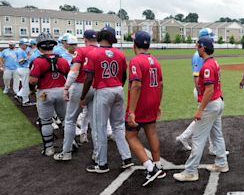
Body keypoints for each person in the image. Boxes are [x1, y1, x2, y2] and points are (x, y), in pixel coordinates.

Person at [173, 37, 229, 182]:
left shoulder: (207, 66)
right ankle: (222, 163)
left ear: (203, 47)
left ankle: (190, 171)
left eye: (198, 46)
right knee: (217, 135)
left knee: (198, 138)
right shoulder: (213, 62)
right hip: (217, 102)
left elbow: (209, 90)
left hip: (210, 104)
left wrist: (200, 110)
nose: (196, 48)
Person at [81, 26, 133, 174]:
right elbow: (124, 75)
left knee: (100, 128)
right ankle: (127, 158)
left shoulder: (93, 53)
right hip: (117, 89)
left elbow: (89, 78)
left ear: (100, 37)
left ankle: (102, 163)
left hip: (103, 91)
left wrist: (83, 96)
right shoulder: (120, 53)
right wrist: (118, 86)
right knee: (118, 126)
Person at [125, 31, 166, 186]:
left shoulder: (136, 61)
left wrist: (131, 111)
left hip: (140, 104)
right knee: (151, 132)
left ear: (135, 44)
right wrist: (158, 103)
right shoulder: (155, 60)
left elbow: (136, 85)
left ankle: (150, 168)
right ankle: (158, 164)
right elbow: (161, 84)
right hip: (152, 102)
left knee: (130, 136)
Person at [175, 28, 224, 155]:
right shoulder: (198, 55)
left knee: (207, 118)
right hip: (204, 90)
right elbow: (196, 77)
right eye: (210, 36)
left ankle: (185, 137)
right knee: (206, 118)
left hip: (206, 90)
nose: (213, 38)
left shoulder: (203, 53)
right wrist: (201, 94)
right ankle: (209, 146)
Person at [53, 30, 98, 161]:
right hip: (97, 87)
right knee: (95, 122)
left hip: (80, 85)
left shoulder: (81, 50)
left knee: (70, 119)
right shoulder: (102, 51)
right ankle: (97, 154)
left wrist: (66, 87)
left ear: (85, 39)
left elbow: (74, 72)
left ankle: (66, 152)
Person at [28, 33, 70, 156]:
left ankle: (49, 148)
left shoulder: (37, 61)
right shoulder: (62, 59)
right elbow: (70, 76)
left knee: (46, 121)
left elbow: (33, 80)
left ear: (39, 46)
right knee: (65, 120)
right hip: (61, 90)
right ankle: (69, 144)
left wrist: (31, 89)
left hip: (45, 93)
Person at [15, 38, 32, 105]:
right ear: (21, 44)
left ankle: (19, 95)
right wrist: (27, 57)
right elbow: (21, 62)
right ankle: (25, 101)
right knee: (26, 85)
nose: (27, 46)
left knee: (25, 84)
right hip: (23, 68)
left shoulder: (21, 50)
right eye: (25, 45)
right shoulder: (20, 51)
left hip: (21, 69)